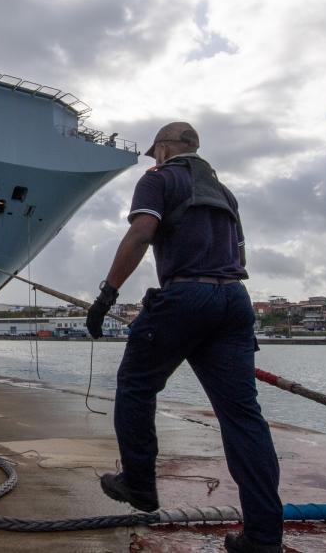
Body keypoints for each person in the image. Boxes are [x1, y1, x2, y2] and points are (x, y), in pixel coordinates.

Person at [86, 122, 283, 553]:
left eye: (155, 149)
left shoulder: (158, 179)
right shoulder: (225, 194)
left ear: (166, 148)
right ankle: (264, 537)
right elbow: (241, 255)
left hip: (185, 295)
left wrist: (106, 295)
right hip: (234, 300)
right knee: (243, 417)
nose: (153, 157)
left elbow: (141, 233)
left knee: (136, 386)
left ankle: (139, 484)